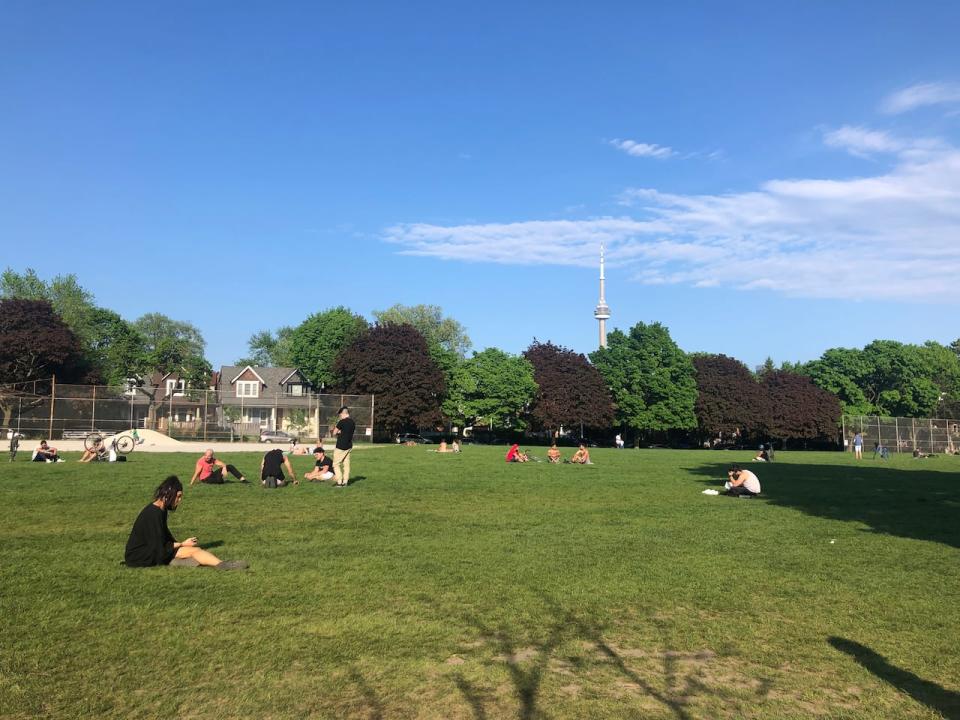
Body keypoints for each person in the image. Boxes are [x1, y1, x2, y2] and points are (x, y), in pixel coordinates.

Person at [124, 475, 247, 569]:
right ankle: (223, 565)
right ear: (170, 493)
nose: (180, 500)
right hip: (139, 557)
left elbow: (164, 536)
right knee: (194, 551)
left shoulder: (160, 510)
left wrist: (178, 544)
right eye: (179, 496)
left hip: (148, 552)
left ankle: (220, 564)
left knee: (194, 552)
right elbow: (159, 547)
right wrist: (182, 544)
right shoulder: (153, 513)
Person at [331, 406, 355, 487]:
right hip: (349, 445)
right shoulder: (352, 422)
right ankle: (345, 481)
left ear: (343, 413)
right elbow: (347, 432)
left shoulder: (341, 422)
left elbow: (334, 433)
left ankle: (339, 482)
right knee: (346, 464)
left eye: (340, 415)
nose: (340, 416)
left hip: (341, 446)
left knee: (335, 464)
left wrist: (337, 431)